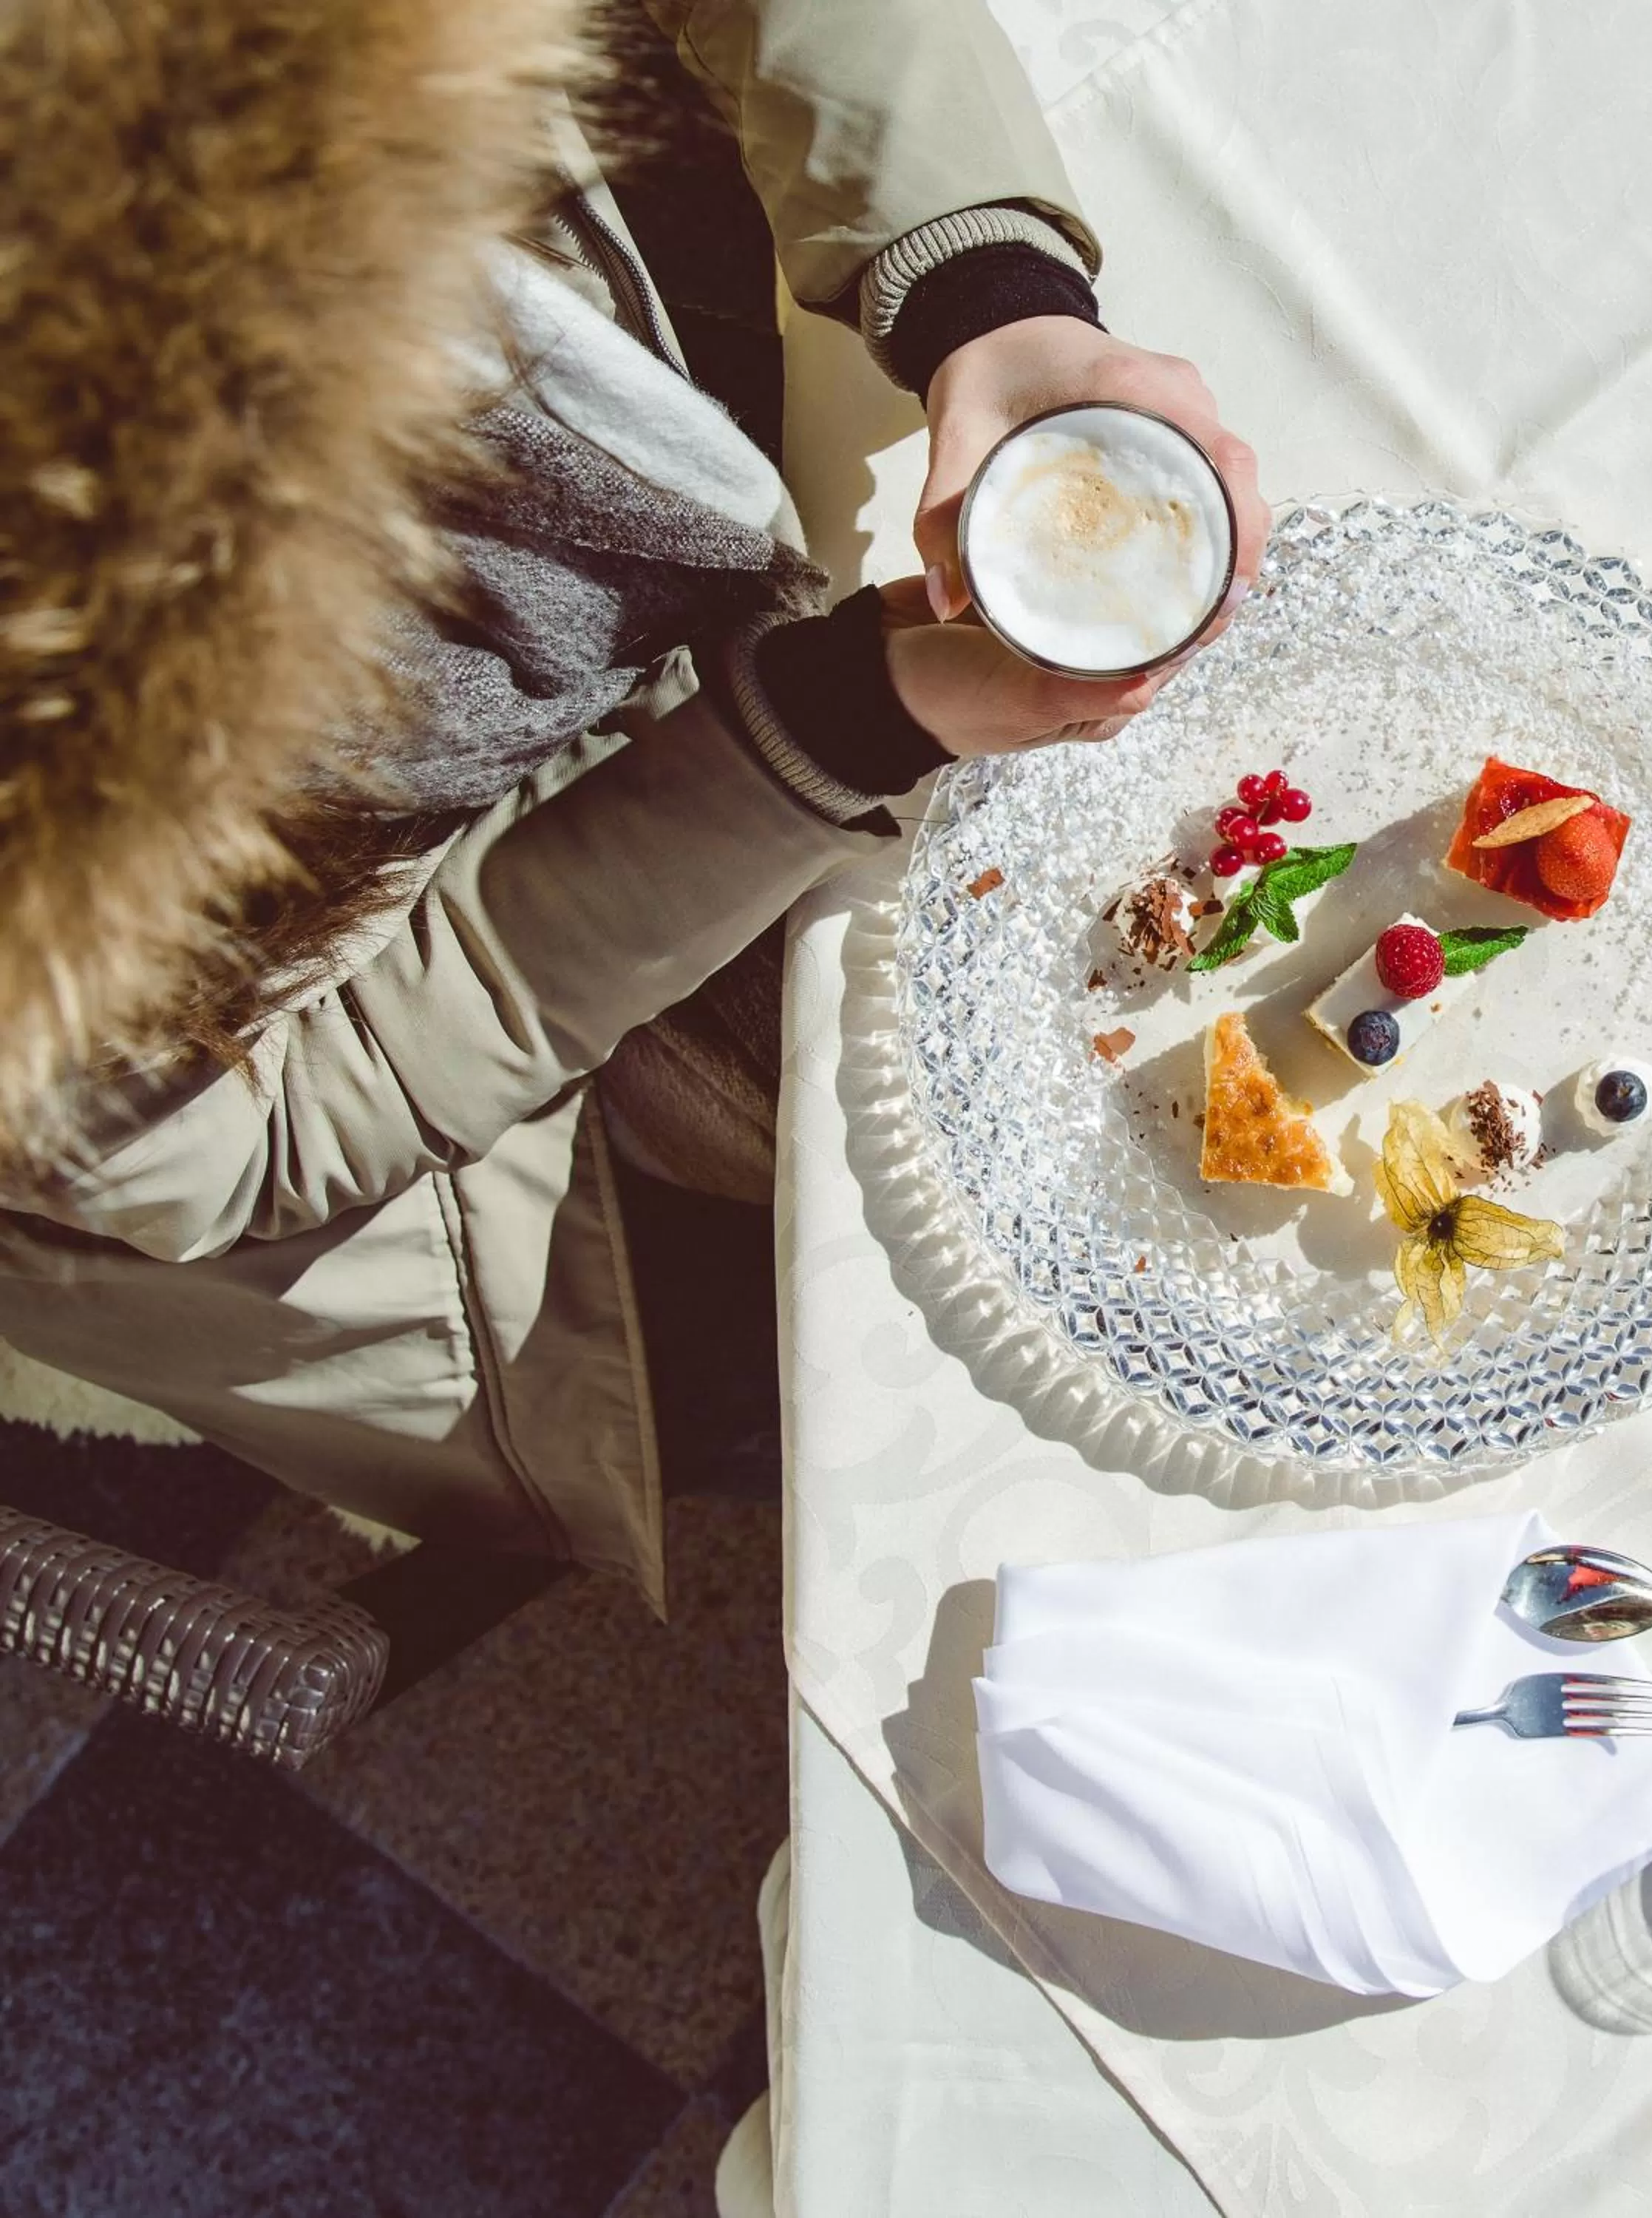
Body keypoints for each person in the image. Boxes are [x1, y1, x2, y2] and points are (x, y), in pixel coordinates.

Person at [0, 0, 1267, 1610]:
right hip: (538, 927)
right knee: (1014, 1196)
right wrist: (841, 723)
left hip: (698, 306)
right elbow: (305, 1103)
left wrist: (985, 288)